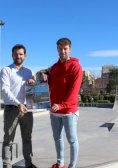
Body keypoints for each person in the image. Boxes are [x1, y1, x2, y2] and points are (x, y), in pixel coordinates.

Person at [47, 38, 83, 168]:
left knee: (72, 140)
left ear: (70, 49)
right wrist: (41, 81)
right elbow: (48, 87)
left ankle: (72, 166)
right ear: (57, 49)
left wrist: (61, 105)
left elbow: (73, 92)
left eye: (65, 48)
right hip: (55, 111)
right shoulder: (54, 68)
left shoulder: (76, 66)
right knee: (57, 138)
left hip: (69, 111)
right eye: (60, 48)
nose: (62, 51)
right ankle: (60, 163)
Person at [0, 44, 37, 168]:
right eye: (16, 54)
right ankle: (6, 165)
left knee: (27, 138)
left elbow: (31, 90)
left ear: (25, 56)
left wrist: (33, 82)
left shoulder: (29, 72)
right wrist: (18, 103)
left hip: (27, 109)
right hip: (12, 109)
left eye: (21, 54)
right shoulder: (6, 70)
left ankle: (28, 163)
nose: (18, 56)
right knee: (8, 140)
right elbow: (5, 90)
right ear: (12, 55)